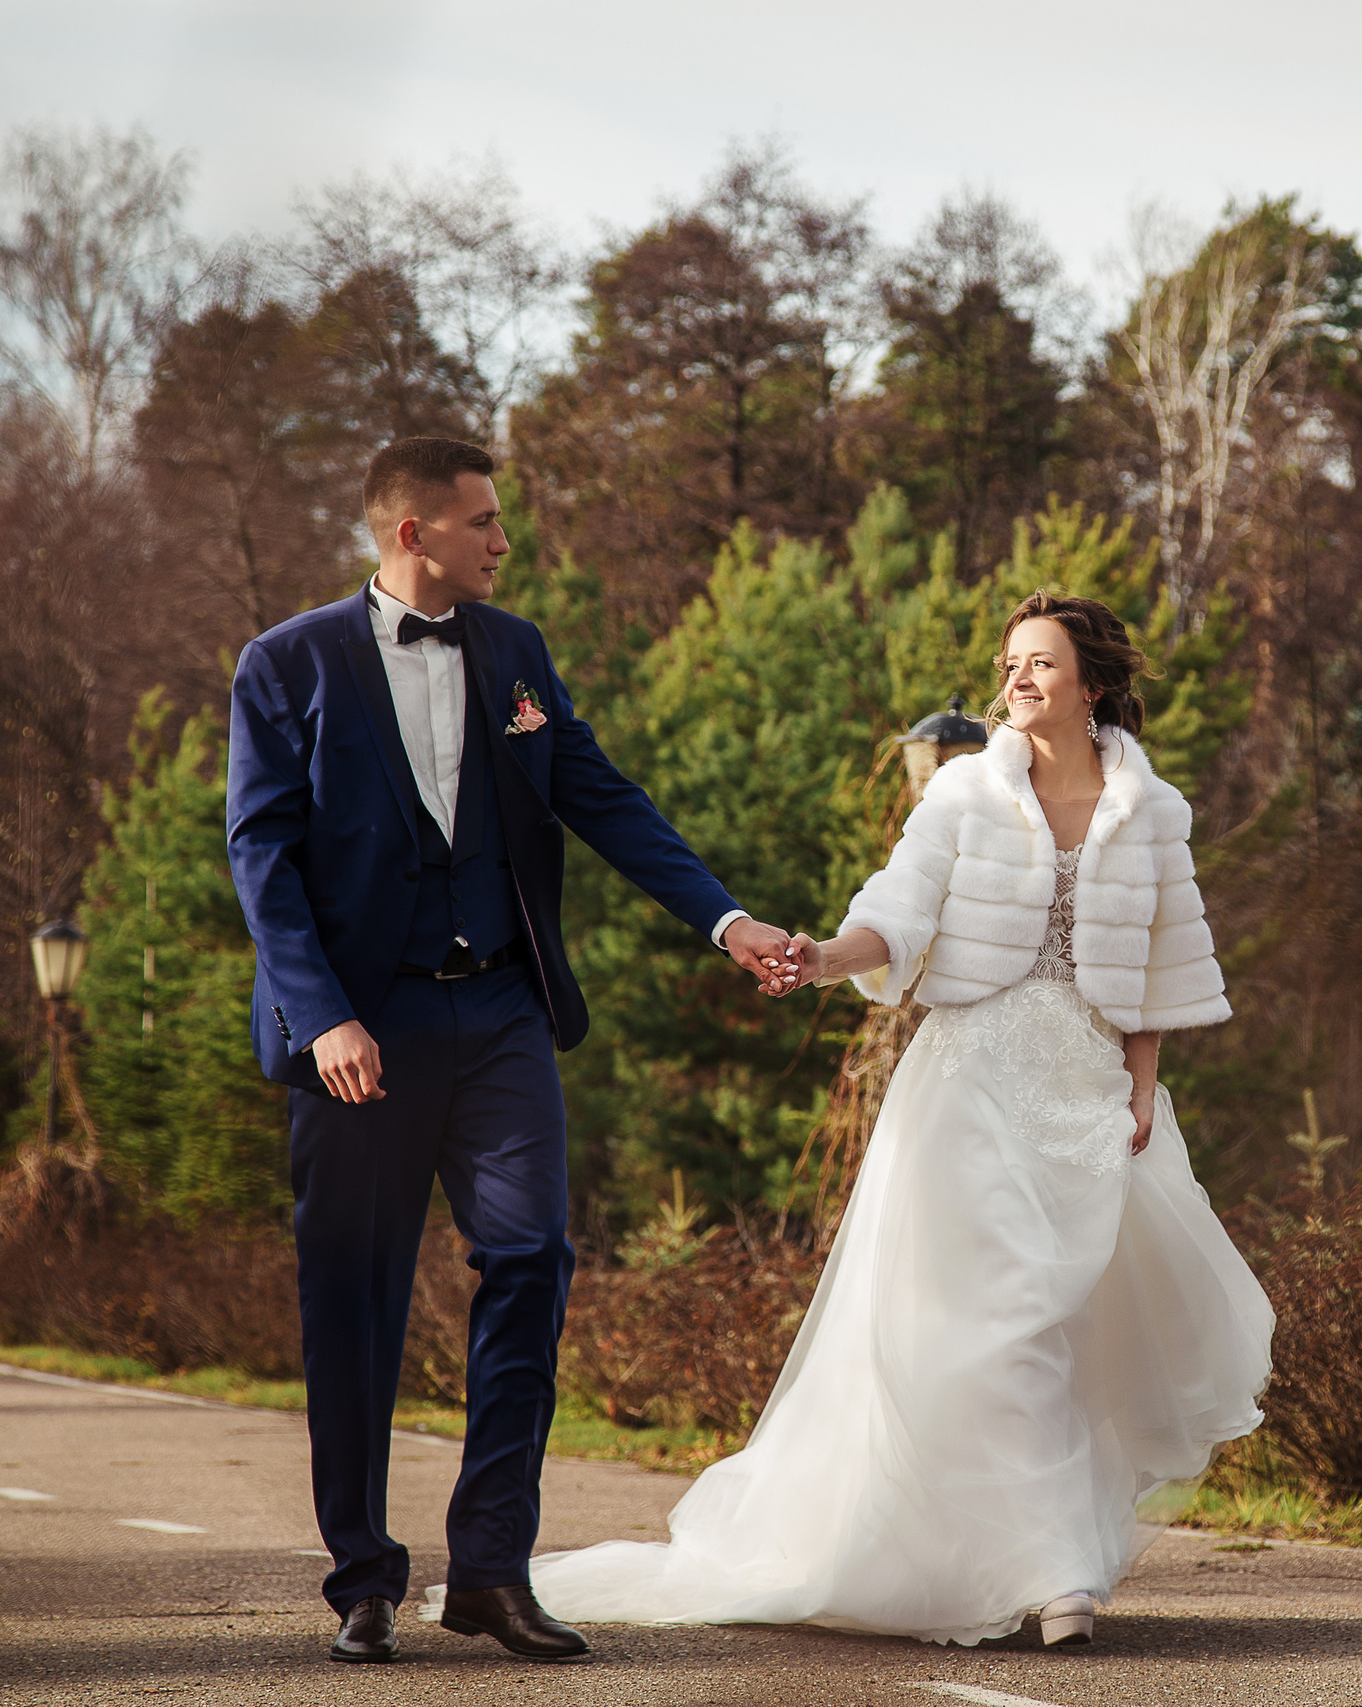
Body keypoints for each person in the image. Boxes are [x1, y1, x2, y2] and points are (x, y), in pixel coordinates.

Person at [463, 592, 1274, 1647]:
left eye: (1039, 663)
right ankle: (1057, 1574)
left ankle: (1025, 1551)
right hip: (971, 1089)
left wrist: (1139, 1085)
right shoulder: (964, 794)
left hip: (1088, 1094)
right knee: (1006, 1321)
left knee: (1073, 1327)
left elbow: (1162, 965)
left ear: (1094, 685)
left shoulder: (1152, 811)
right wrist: (822, 957)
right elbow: (896, 909)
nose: (1016, 679)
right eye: (1011, 663)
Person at [226, 436, 801, 1666]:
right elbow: (260, 854)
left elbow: (599, 794)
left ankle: (491, 1570)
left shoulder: (514, 652)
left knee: (533, 1257)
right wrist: (321, 1015)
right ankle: (363, 1580)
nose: (503, 540)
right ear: (412, 533)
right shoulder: (286, 663)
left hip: (498, 1014)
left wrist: (727, 920)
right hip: (359, 1028)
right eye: (481, 521)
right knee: (355, 1302)